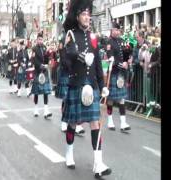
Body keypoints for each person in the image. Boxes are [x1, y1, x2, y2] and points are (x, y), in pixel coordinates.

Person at [62, 0, 111, 177]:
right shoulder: (70, 35)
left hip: (92, 86)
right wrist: (81, 57)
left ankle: (98, 163)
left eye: (88, 15)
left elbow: (97, 63)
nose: (87, 17)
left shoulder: (93, 37)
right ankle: (69, 153)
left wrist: (103, 85)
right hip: (77, 85)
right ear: (77, 16)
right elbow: (66, 62)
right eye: (84, 14)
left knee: (95, 122)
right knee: (73, 123)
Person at [106, 21, 131, 132]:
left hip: (120, 74)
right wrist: (123, 64)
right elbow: (112, 59)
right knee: (111, 99)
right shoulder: (109, 42)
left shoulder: (121, 41)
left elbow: (125, 54)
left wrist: (128, 59)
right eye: (115, 30)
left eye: (118, 30)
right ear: (112, 30)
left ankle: (123, 123)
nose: (117, 32)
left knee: (121, 99)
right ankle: (110, 121)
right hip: (114, 72)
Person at [56, 38, 85, 134]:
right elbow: (64, 62)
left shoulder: (76, 42)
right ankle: (64, 123)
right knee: (65, 100)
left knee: (76, 101)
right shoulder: (63, 44)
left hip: (76, 76)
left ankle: (77, 124)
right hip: (66, 74)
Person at [30, 31, 53, 119]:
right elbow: (33, 60)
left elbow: (46, 59)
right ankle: (36, 109)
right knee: (36, 92)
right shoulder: (34, 49)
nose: (40, 41)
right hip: (38, 71)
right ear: (37, 40)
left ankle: (46, 110)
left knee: (45, 92)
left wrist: (48, 60)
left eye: (41, 39)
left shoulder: (44, 48)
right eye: (39, 39)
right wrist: (40, 65)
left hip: (44, 72)